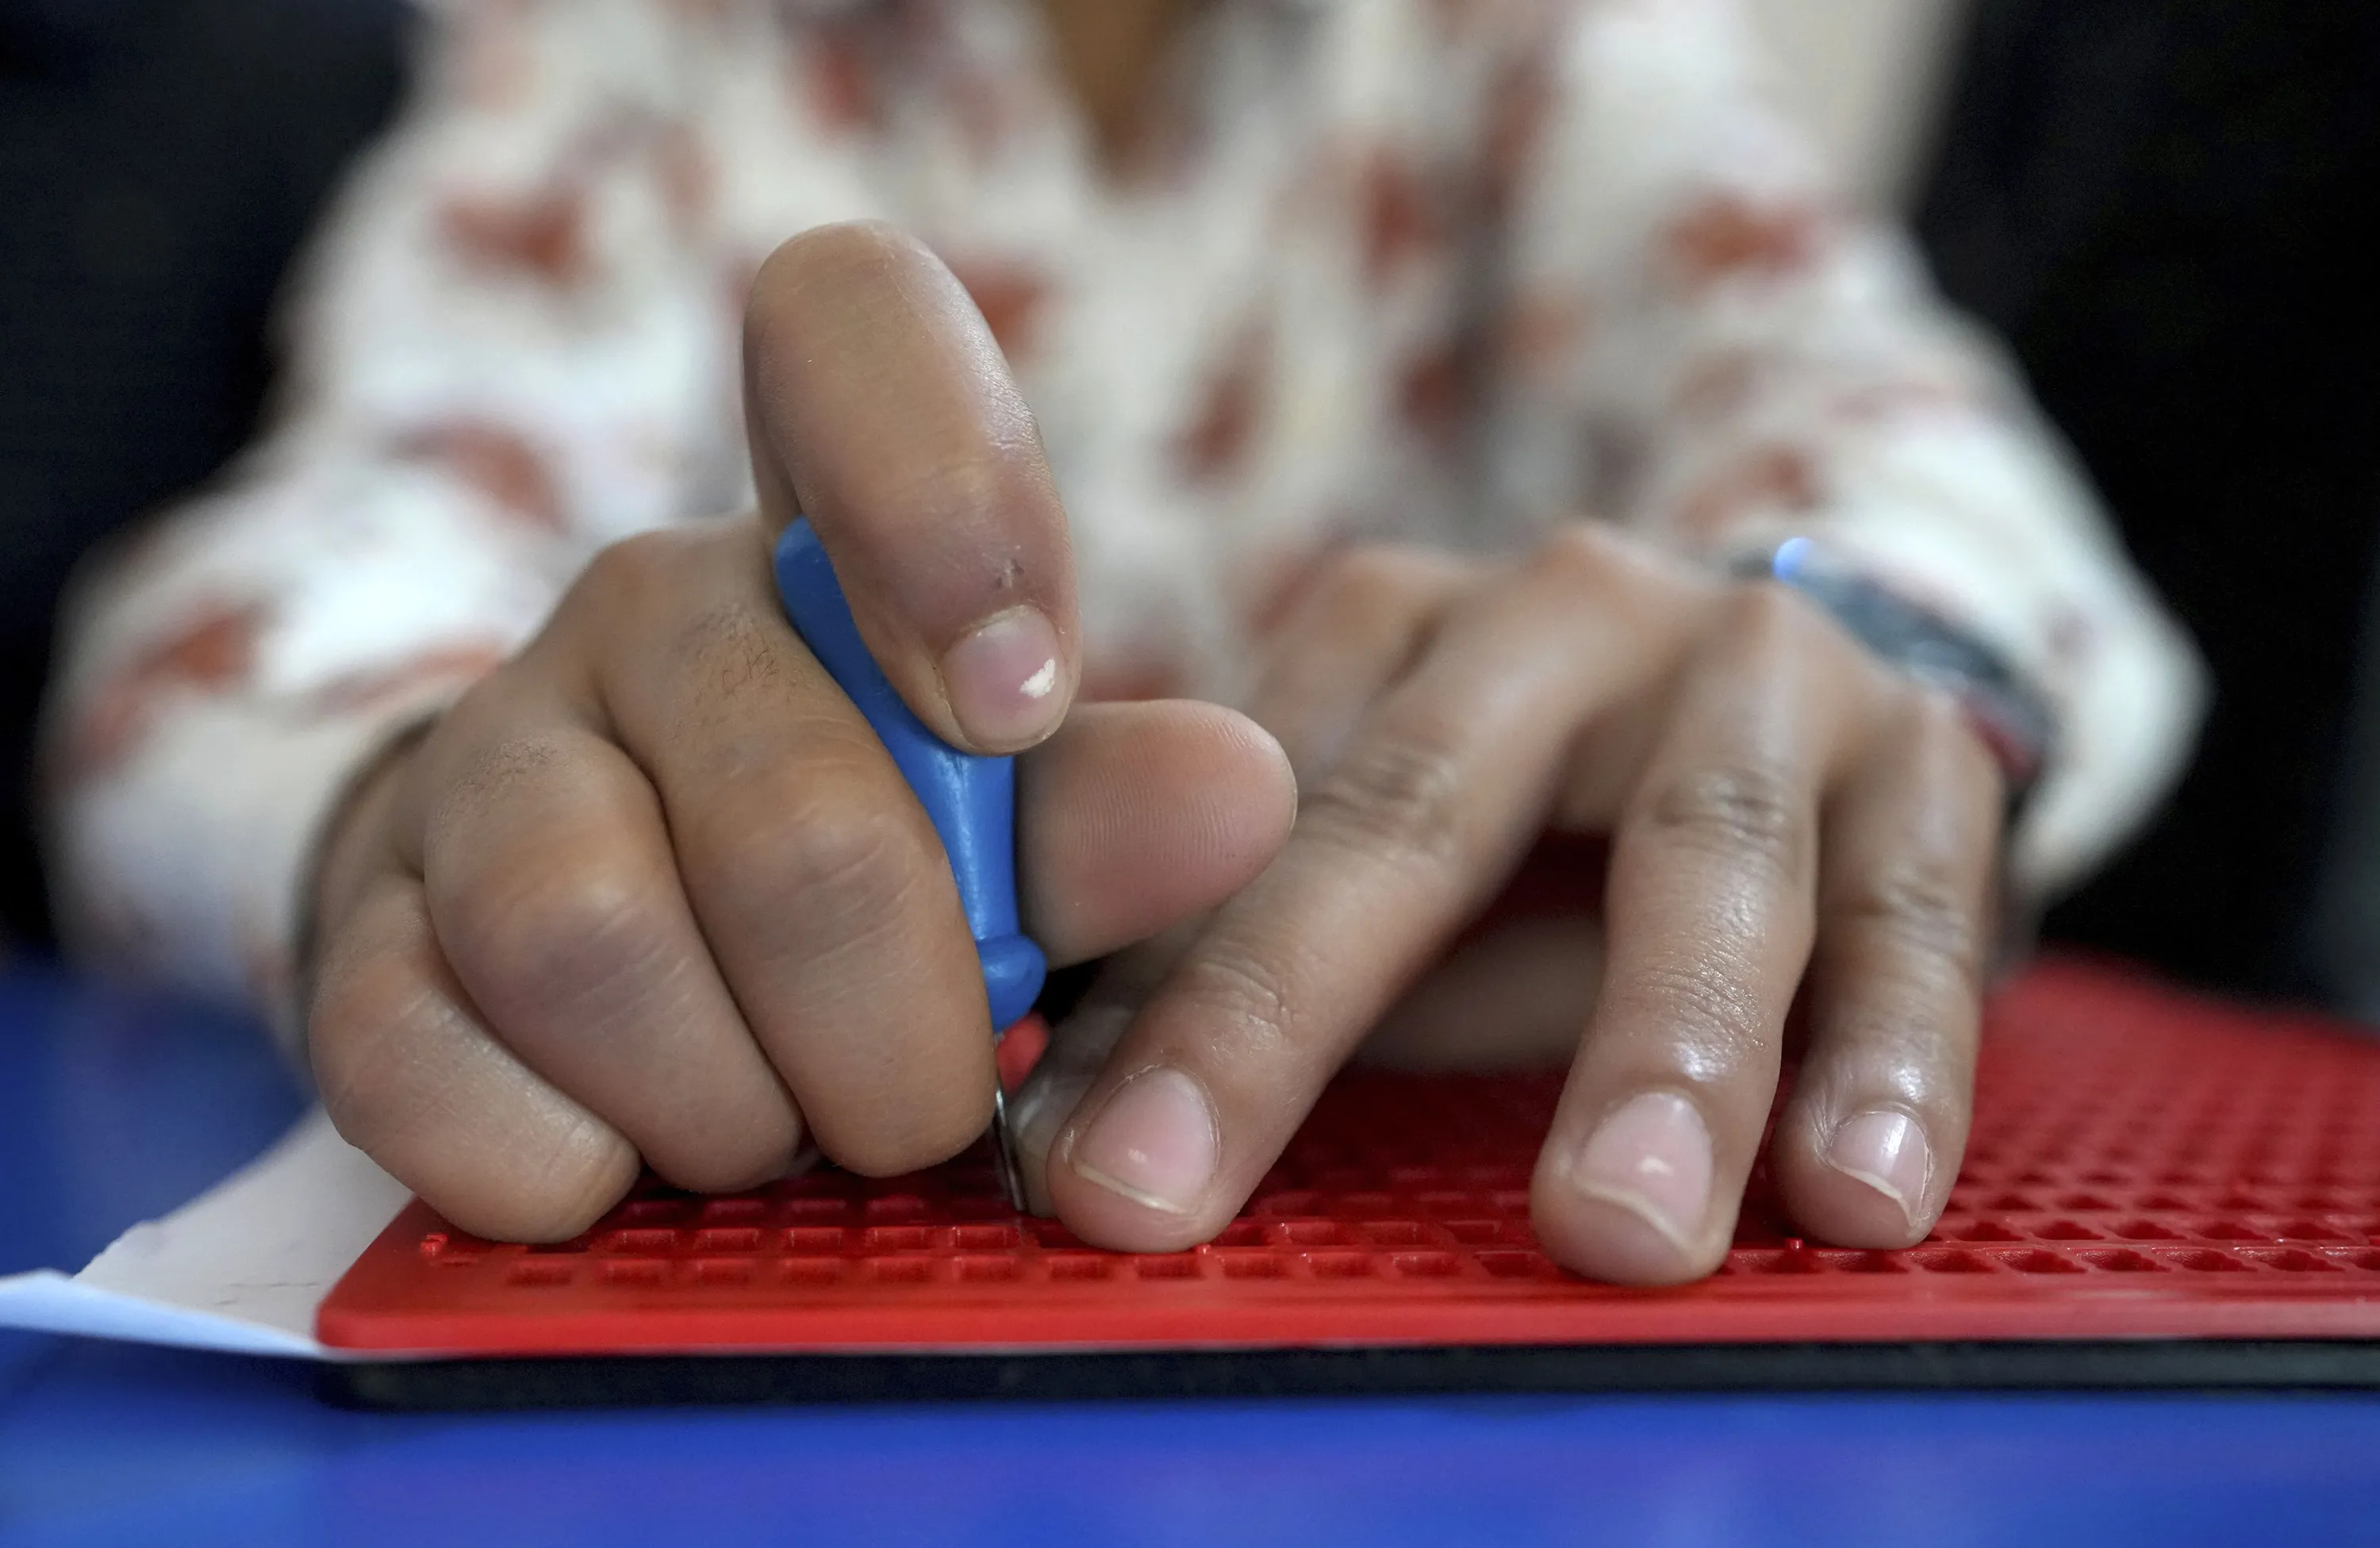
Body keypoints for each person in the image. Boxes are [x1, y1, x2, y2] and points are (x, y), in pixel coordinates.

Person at [40, 0, 2201, 1287]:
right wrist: (431, 802)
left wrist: (1857, 641)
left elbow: (1912, 452)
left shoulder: (1530, 46)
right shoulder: (634, 47)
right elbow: (296, 571)